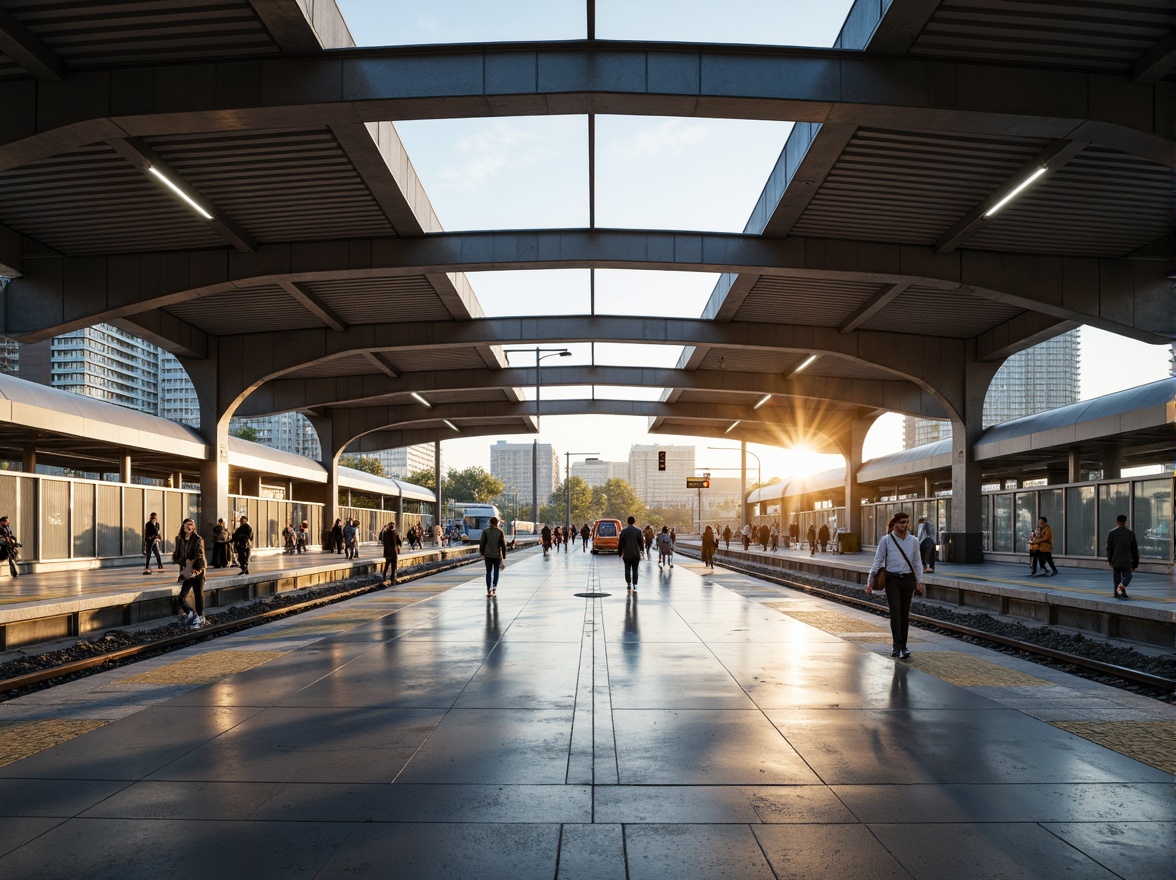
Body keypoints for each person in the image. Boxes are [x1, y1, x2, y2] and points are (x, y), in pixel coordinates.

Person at [866, 511, 924, 659]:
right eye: (902, 522)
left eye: (906, 522)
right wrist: (870, 580)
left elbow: (917, 562)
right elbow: (877, 560)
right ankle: (895, 646)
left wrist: (920, 581)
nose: (904, 525)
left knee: (904, 615)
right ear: (895, 524)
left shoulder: (913, 541)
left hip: (908, 580)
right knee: (895, 613)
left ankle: (903, 647)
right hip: (892, 580)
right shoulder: (886, 540)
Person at [172, 518, 208, 628]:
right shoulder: (179, 539)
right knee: (181, 597)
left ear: (194, 527)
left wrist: (196, 570)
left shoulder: (198, 539)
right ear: (183, 526)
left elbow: (200, 556)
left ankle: (200, 618)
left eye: (191, 525)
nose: (189, 527)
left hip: (197, 571)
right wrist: (182, 572)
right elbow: (179, 557)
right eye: (187, 525)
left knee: (198, 595)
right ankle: (191, 614)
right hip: (187, 571)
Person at [1106, 514, 1139, 599]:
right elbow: (1134, 549)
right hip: (1127, 560)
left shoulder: (1112, 533)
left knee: (1117, 578)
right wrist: (1135, 562)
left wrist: (1109, 560)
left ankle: (1117, 593)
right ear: (1125, 522)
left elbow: (1109, 548)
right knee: (1128, 575)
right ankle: (1121, 592)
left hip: (1115, 560)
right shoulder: (1131, 534)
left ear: (1117, 522)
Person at [479, 515, 507, 597]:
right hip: (497, 555)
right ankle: (494, 587)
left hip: (488, 555)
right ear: (497, 523)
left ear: (490, 523)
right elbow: (503, 544)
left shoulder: (485, 531)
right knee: (496, 571)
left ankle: (488, 588)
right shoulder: (500, 531)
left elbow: (482, 543)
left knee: (488, 571)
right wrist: (504, 555)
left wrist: (482, 552)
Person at [618, 515, 645, 594]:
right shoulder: (638, 531)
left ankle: (628, 583)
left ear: (627, 522)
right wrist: (642, 550)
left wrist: (620, 552)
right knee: (635, 570)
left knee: (627, 570)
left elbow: (620, 543)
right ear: (634, 521)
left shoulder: (624, 531)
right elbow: (641, 542)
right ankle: (635, 584)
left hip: (627, 554)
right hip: (636, 554)